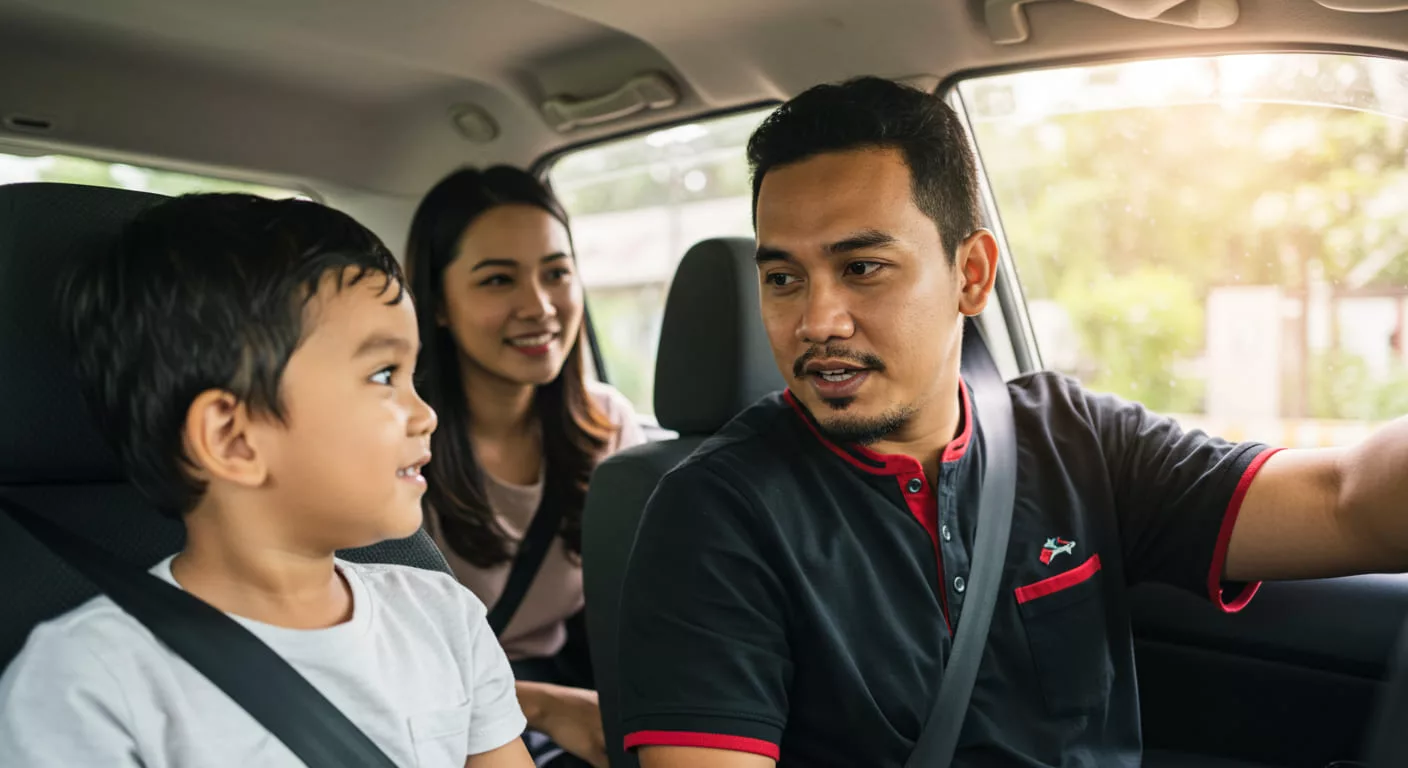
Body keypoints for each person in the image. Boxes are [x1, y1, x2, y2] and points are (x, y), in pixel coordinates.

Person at [616, 77, 1408, 767]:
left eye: (862, 269)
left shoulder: (1073, 439)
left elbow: (1347, 501)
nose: (817, 319)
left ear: (971, 275)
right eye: (785, 277)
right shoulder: (716, 512)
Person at [0, 194, 534, 767]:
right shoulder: (90, 681)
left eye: (412, 374)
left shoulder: (443, 617)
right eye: (384, 375)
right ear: (234, 438)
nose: (425, 413)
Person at [406, 166, 645, 768]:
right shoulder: (403, 441)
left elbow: (636, 609)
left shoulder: (608, 428)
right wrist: (542, 708)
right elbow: (384, 653)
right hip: (434, 712)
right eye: (497, 280)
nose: (538, 306)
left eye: (557, 273)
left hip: (563, 681)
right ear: (438, 304)